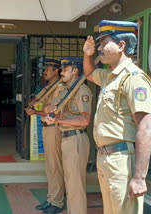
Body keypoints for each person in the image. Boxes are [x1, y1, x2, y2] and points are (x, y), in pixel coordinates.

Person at [83, 20, 151, 214]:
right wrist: (86, 55)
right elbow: (88, 73)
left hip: (121, 159)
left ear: (121, 46)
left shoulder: (134, 78)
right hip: (106, 158)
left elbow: (146, 128)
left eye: (104, 43)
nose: (100, 48)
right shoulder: (109, 75)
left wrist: (139, 178)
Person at [44, 57, 92, 214]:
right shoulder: (66, 90)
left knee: (75, 186)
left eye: (65, 69)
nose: (62, 72)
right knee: (70, 183)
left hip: (76, 138)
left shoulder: (82, 91)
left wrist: (59, 118)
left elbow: (85, 120)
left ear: (75, 71)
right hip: (66, 138)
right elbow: (50, 107)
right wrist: (51, 108)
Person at [26, 59, 65, 214]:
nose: (44, 72)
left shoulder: (60, 87)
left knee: (55, 167)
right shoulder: (47, 87)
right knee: (50, 167)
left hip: (54, 128)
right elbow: (34, 101)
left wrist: (35, 112)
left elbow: (54, 112)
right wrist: (33, 108)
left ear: (56, 70)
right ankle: (51, 199)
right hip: (47, 128)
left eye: (48, 69)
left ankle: (57, 202)